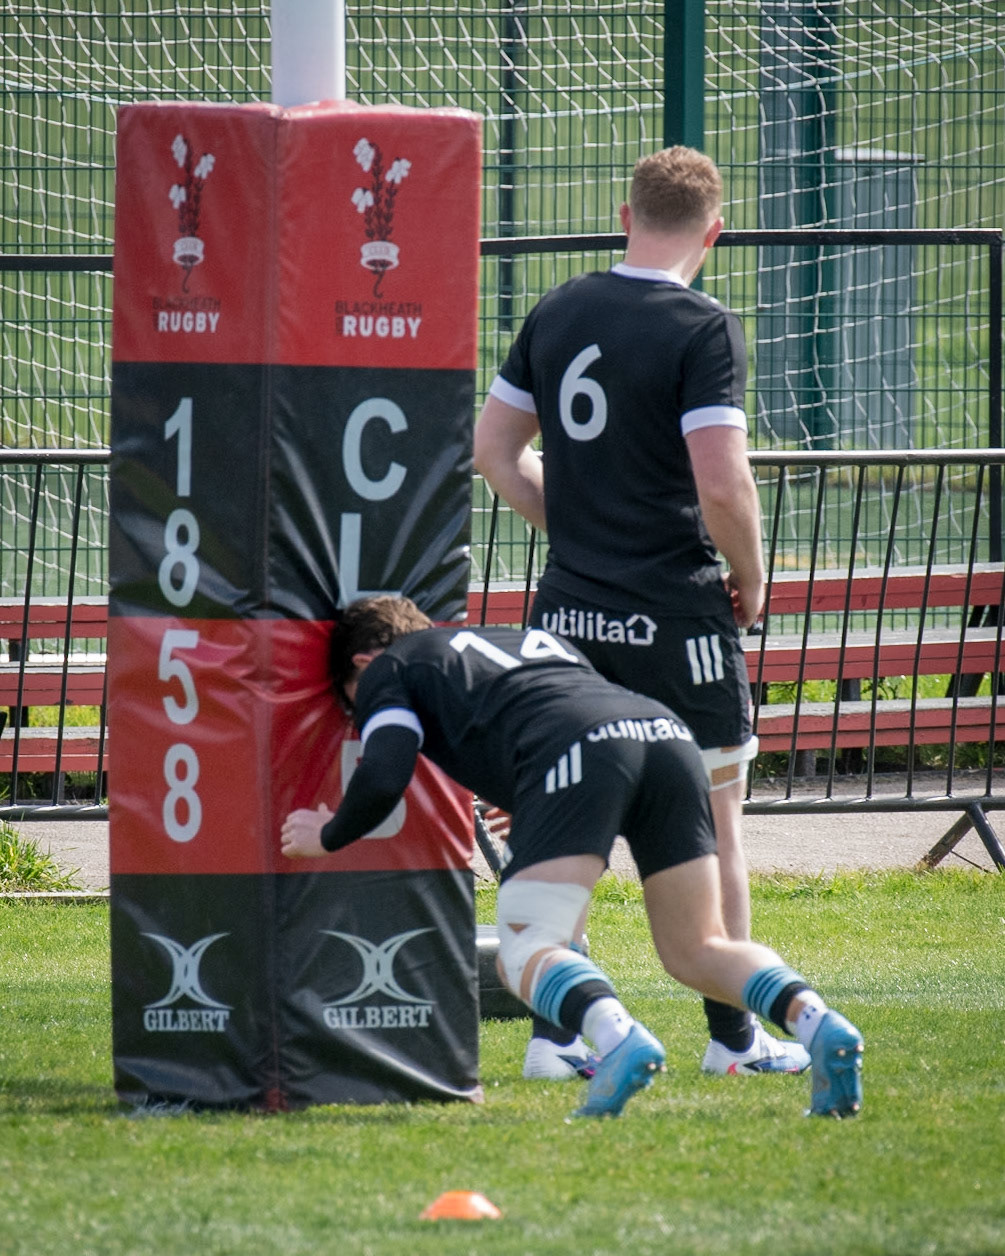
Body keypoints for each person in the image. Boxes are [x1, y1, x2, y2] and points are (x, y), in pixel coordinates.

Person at [472, 145, 805, 1081]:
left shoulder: (559, 306)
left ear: (626, 214)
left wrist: (577, 532)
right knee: (714, 821)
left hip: (569, 615)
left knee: (565, 825)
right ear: (715, 231)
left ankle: (554, 1039)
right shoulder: (701, 326)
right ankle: (734, 1041)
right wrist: (754, 577)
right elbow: (721, 482)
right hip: (676, 618)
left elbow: (494, 450)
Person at [280, 595, 864, 1120]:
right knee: (699, 948)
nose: (355, 713)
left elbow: (384, 774)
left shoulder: (389, 668)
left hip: (580, 750)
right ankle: (819, 1023)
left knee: (525, 949)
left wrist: (327, 833)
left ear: (361, 661)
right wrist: (534, 794)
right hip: (666, 737)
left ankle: (616, 1039)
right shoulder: (511, 640)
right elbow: (550, 712)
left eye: (349, 704)